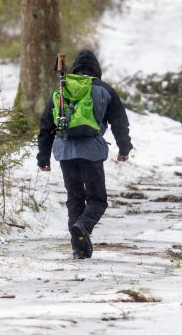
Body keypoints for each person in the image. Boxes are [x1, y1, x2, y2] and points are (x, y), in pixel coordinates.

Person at [37, 49, 133, 259]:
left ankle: (78, 248)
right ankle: (83, 226)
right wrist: (124, 148)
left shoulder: (62, 89)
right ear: (97, 69)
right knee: (98, 199)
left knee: (75, 199)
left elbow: (46, 126)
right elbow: (119, 122)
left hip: (66, 152)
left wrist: (43, 157)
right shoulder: (104, 89)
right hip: (92, 152)